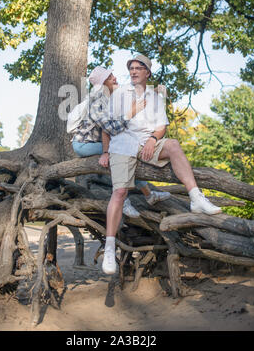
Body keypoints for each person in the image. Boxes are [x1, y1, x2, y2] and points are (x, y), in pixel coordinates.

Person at [102, 54, 222, 275]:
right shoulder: (118, 94)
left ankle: (196, 198)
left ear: (148, 73)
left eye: (139, 68)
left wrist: (153, 139)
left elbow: (161, 127)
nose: (134, 71)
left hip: (148, 144)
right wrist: (106, 151)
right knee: (119, 193)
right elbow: (107, 126)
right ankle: (110, 248)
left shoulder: (156, 97)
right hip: (123, 145)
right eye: (131, 68)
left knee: (174, 145)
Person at [71, 66, 171, 217]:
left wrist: (153, 92)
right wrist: (106, 152)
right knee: (121, 153)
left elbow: (134, 94)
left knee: (127, 151)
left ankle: (149, 195)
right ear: (102, 83)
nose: (115, 78)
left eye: (113, 74)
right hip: (84, 144)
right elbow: (110, 128)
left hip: (100, 142)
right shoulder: (97, 101)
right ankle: (125, 202)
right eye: (110, 77)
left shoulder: (115, 95)